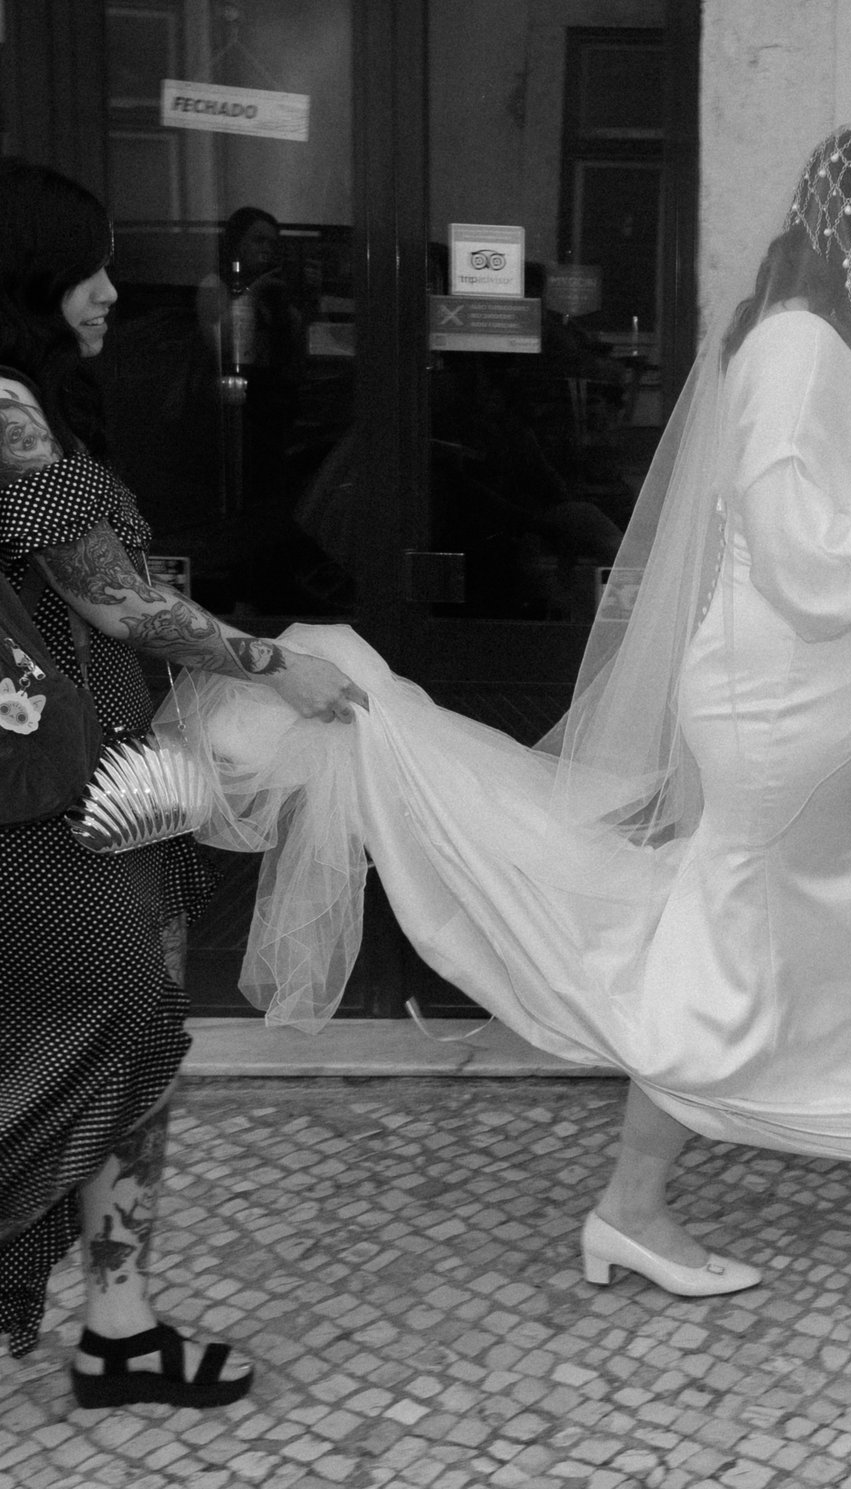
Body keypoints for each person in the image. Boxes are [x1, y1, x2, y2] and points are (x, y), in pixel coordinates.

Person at [165, 126, 851, 1294]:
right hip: (780, 707)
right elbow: (793, 551)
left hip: (843, 701)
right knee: (736, 947)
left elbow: (848, 514)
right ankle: (633, 1204)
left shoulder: (849, 350)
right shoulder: (794, 347)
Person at [0, 160, 364, 1406]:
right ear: (28, 278)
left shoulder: (36, 399)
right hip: (50, 809)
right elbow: (111, 594)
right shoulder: (4, 406)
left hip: (96, 785)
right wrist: (275, 663)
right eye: (86, 267)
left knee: (125, 1053)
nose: (111, 290)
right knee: (100, 1050)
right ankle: (115, 1324)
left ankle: (119, 1324)